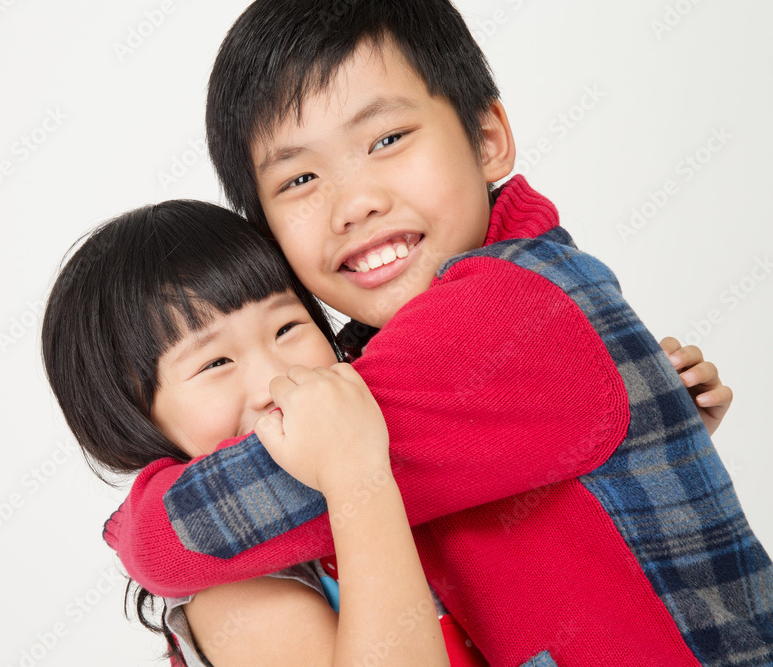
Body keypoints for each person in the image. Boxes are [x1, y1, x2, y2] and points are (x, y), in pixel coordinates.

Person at [104, 1, 771, 665]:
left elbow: (194, 532)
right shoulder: (457, 324)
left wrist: (131, 527)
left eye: (386, 139)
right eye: (300, 178)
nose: (354, 202)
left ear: (487, 139)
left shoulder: (499, 314)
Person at [42, 200, 460, 666]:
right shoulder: (229, 587)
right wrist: (355, 477)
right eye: (216, 362)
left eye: (286, 327)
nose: (274, 381)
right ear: (130, 416)